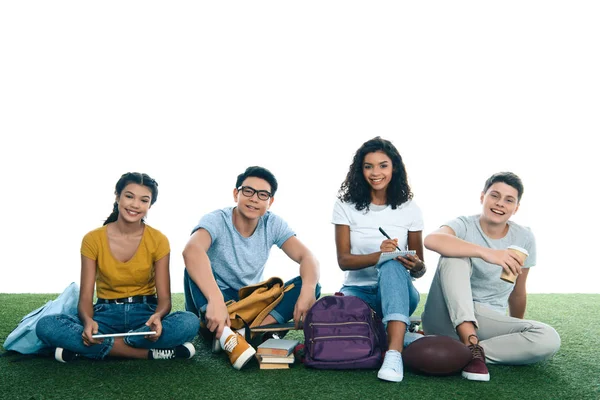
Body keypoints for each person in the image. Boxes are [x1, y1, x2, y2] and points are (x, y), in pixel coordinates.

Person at [37, 172, 199, 363]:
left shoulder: (159, 240)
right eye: (129, 196)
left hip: (145, 318)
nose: (135, 205)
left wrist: (157, 316)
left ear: (150, 205)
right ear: (118, 196)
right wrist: (89, 322)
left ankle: (91, 350)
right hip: (104, 316)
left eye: (143, 200)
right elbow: (86, 298)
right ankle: (145, 353)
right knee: (46, 326)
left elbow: (165, 300)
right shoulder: (93, 239)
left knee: (190, 321)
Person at [422, 172, 561, 382]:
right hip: (444, 316)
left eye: (509, 200)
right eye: (494, 196)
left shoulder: (524, 237)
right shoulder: (463, 225)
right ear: (482, 197)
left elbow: (518, 291)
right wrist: (487, 253)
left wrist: (515, 329)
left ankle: (469, 352)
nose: (500, 204)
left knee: (549, 338)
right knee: (454, 256)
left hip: (486, 323)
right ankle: (470, 345)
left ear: (516, 208)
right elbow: (432, 239)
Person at [183, 166, 321, 370]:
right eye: (248, 191)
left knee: (311, 284)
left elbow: (307, 257)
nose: (254, 198)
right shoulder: (216, 219)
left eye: (262, 194)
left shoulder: (272, 223)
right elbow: (191, 250)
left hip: (247, 304)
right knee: (193, 268)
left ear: (270, 201)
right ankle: (227, 332)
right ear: (235, 193)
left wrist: (308, 290)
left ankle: (244, 334)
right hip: (215, 303)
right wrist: (215, 299)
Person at [332, 137, 426, 383]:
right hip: (358, 291)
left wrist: (413, 264)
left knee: (392, 264)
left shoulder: (409, 208)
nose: (376, 173)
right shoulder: (345, 206)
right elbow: (343, 261)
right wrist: (379, 255)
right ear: (359, 169)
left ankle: (394, 354)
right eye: (368, 166)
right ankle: (401, 335)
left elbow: (420, 268)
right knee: (386, 261)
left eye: (383, 165)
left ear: (394, 168)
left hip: (399, 293)